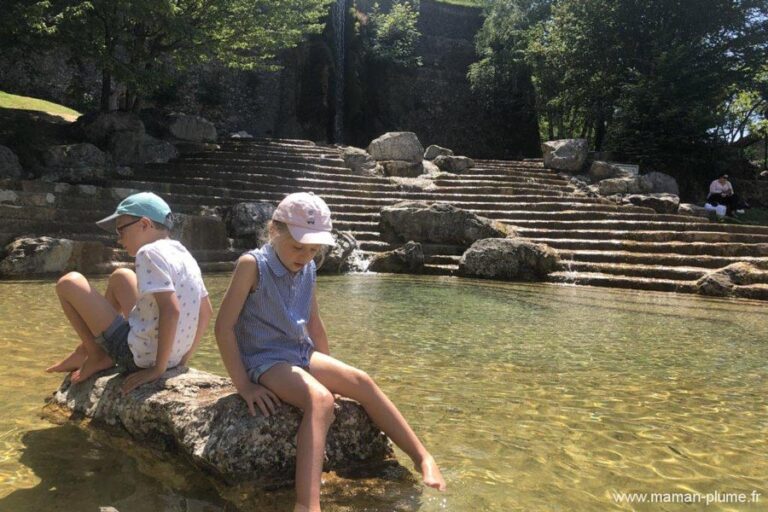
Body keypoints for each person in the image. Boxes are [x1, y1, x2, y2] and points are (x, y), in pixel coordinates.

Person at [215, 192, 445, 512]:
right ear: (274, 231)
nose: (305, 255)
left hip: (299, 353)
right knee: (320, 400)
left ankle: (422, 456)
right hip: (265, 359)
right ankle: (306, 504)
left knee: (361, 381)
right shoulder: (252, 265)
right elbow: (223, 327)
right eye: (298, 247)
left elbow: (314, 323)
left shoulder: (308, 268)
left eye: (313, 249)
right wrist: (244, 385)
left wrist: (331, 370)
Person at [47, 192, 213, 394]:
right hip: (171, 356)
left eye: (121, 231)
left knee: (68, 283)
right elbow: (206, 311)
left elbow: (171, 310)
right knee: (121, 276)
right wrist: (180, 360)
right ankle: (86, 350)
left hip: (137, 357)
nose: (118, 240)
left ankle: (96, 354)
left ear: (144, 224)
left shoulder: (148, 253)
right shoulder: (184, 254)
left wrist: (158, 369)